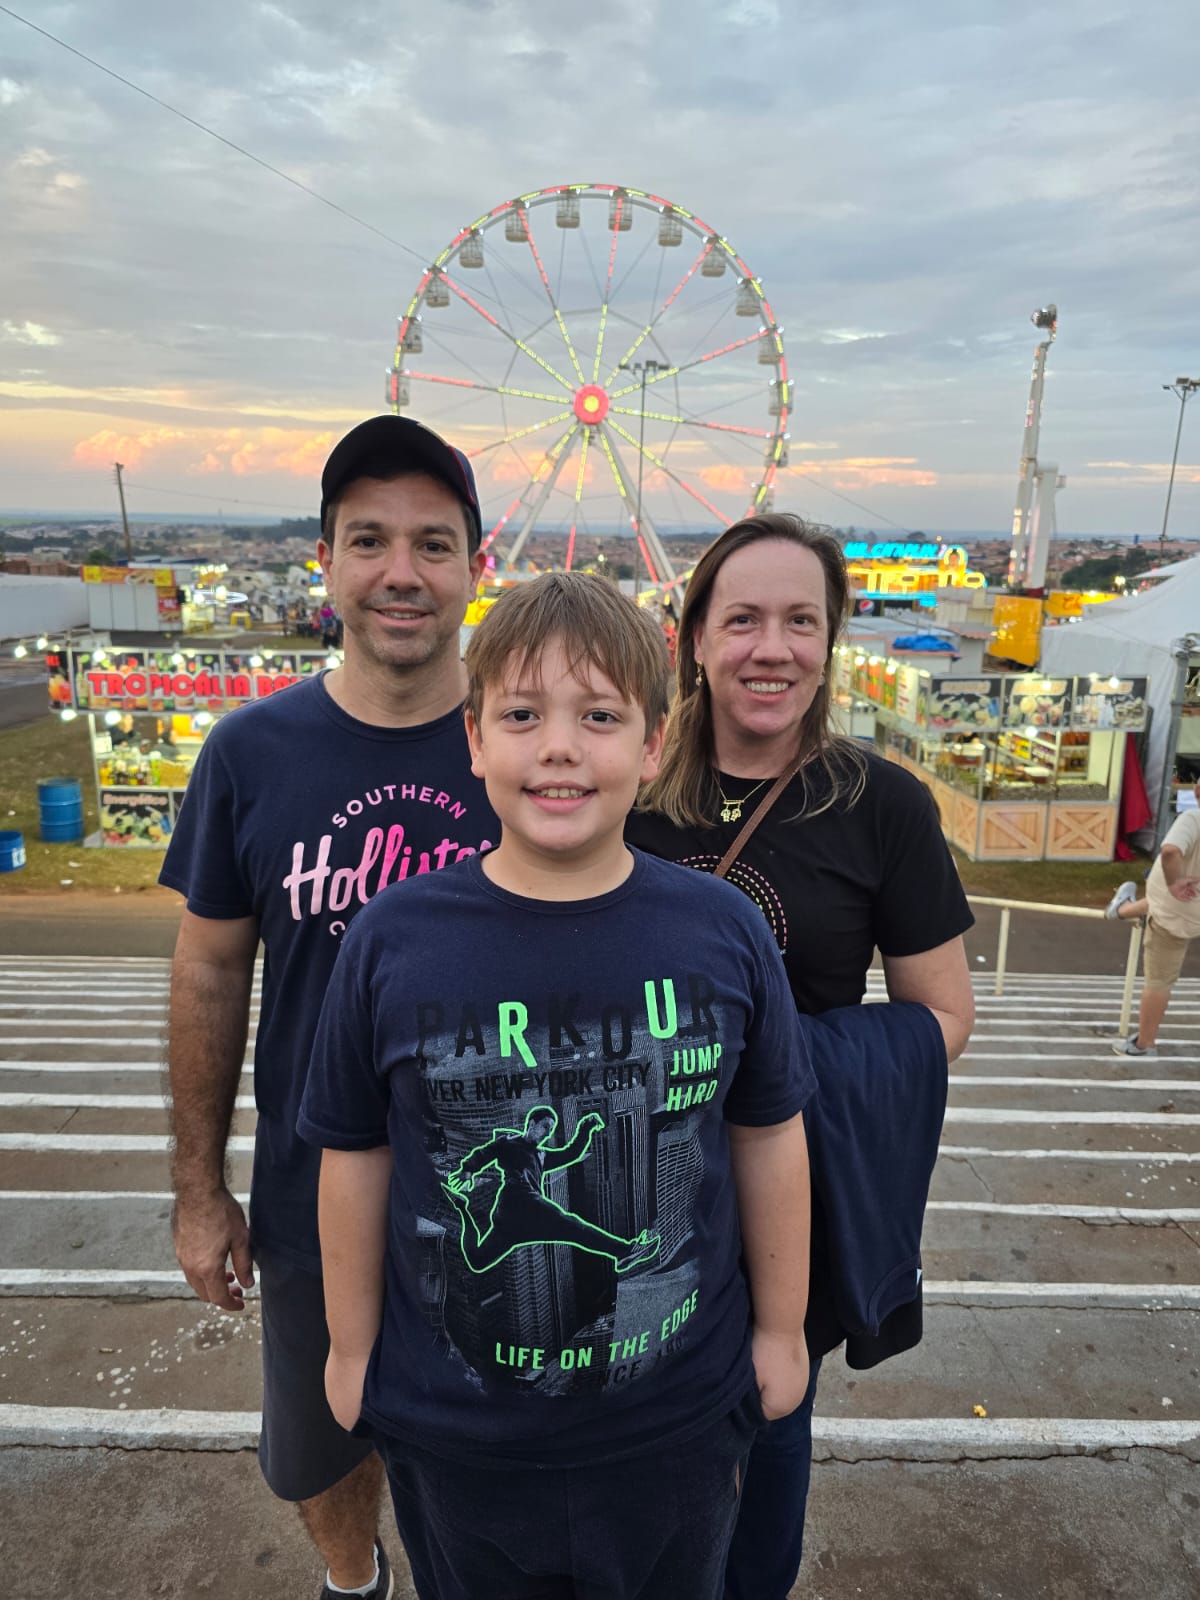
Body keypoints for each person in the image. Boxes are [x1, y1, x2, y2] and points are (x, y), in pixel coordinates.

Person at [298, 572, 816, 1600]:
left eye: (600, 715)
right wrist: (353, 1350)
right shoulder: (395, 940)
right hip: (457, 1433)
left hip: (677, 1421)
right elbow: (355, 1153)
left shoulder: (723, 931)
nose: (562, 746)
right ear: (477, 737)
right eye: (524, 714)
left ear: (655, 743)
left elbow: (767, 1135)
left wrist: (779, 1332)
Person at [159, 414, 500, 1600]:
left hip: (505, 1190)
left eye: (432, 542)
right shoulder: (252, 752)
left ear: (474, 565)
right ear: (327, 561)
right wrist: (200, 1192)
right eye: (369, 540)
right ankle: (356, 1583)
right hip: (314, 1194)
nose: (400, 571)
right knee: (318, 1445)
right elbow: (209, 972)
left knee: (494, 1448)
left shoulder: (530, 743)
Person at [626, 511, 976, 1600]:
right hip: (628, 1187)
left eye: (799, 621)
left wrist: (777, 1070)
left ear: (831, 641)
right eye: (741, 619)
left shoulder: (884, 806)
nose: (769, 648)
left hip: (788, 1194)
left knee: (767, 1454)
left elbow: (941, 1015)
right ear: (693, 637)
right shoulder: (625, 782)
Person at [1106, 779, 1200, 1057]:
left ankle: (1143, 1044)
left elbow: (1170, 850)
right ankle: (1120, 910)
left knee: (1159, 981)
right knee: (1156, 902)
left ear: (1196, 791)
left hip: (1175, 908)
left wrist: (1175, 881)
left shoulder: (1193, 817)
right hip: (1185, 907)